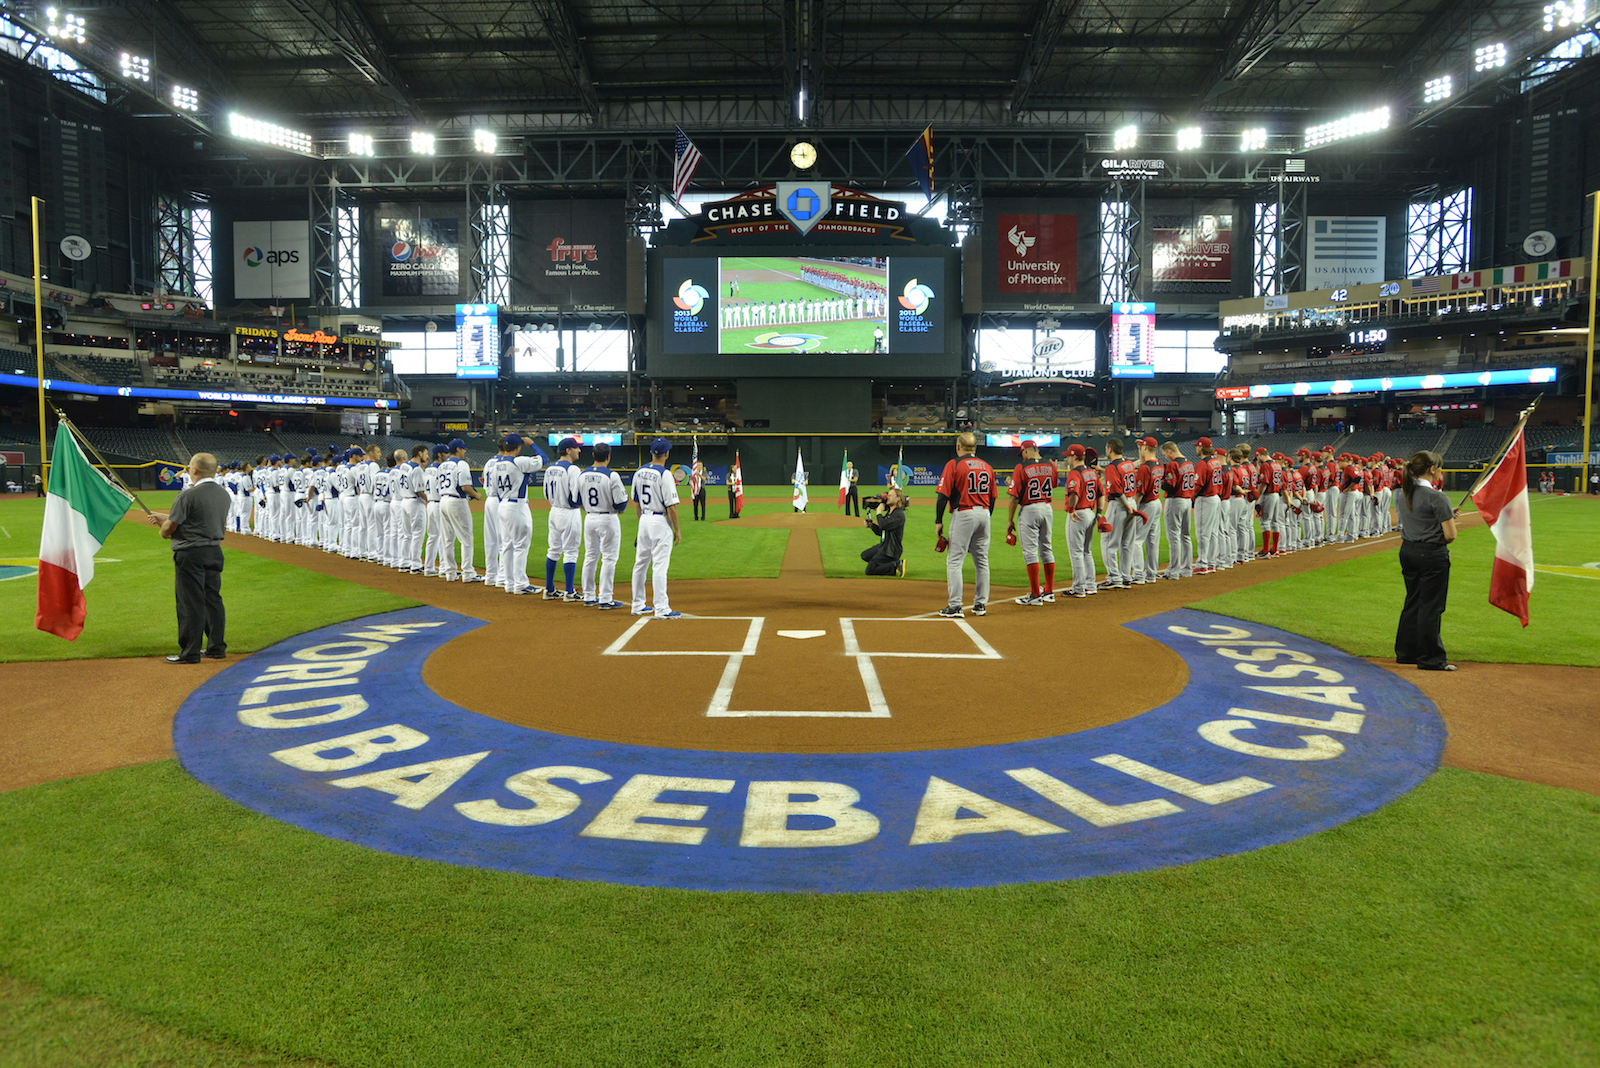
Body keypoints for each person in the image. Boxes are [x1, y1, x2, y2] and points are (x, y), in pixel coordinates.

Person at [147, 453, 229, 664]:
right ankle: (216, 647)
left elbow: (169, 529)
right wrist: (165, 518)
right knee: (213, 599)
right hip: (214, 551)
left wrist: (163, 529)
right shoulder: (223, 494)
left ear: (194, 470)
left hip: (190, 554)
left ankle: (190, 651)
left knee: (189, 602)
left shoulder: (187, 495)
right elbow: (200, 519)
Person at [1395, 451, 1460, 672]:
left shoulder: (1402, 493)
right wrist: (1447, 519)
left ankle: (1406, 652)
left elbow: (1419, 518)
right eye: (1439, 467)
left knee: (1413, 601)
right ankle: (1431, 658)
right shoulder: (1437, 497)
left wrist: (1446, 515)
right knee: (1431, 606)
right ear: (1432, 469)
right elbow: (1450, 535)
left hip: (1408, 550)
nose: (1441, 471)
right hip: (1431, 554)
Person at [934, 431, 995, 618]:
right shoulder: (987, 466)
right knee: (982, 561)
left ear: (958, 447)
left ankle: (955, 606)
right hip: (984, 514)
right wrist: (986, 516)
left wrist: (938, 520)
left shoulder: (954, 464)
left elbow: (943, 496)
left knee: (954, 561)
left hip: (964, 513)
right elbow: (992, 498)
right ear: (975, 448)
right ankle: (981, 604)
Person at [484, 434, 545, 594]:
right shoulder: (519, 461)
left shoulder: (496, 464)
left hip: (502, 505)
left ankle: (509, 583)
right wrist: (532, 444)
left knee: (507, 546)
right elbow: (543, 459)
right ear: (518, 447)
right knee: (520, 546)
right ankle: (521, 584)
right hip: (517, 506)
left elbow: (495, 490)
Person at [630, 438, 683, 617]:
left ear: (652, 452)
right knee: (660, 566)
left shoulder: (639, 471)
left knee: (640, 563)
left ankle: (637, 604)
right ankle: (661, 608)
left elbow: (636, 501)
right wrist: (677, 530)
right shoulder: (665, 474)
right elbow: (672, 507)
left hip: (644, 519)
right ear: (666, 454)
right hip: (660, 522)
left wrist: (641, 522)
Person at [575, 441, 629, 607]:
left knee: (590, 557)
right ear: (608, 456)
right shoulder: (611, 475)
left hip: (590, 518)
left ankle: (589, 596)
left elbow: (576, 500)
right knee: (609, 558)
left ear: (593, 455)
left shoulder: (582, 474)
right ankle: (605, 598)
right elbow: (621, 503)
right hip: (607, 518)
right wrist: (619, 509)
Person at [1005, 439, 1056, 604]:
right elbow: (1049, 485)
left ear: (1026, 451)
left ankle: (1035, 595)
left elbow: (1013, 498)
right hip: (1047, 508)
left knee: (1030, 552)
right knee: (1047, 549)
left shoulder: (1022, 467)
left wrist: (1010, 520)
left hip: (1030, 510)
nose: (1022, 456)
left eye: (1022, 453)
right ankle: (1049, 592)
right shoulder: (1051, 465)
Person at [543, 436, 584, 600]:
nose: (579, 450)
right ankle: (569, 592)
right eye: (576, 448)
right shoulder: (572, 469)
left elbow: (546, 494)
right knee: (571, 552)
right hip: (568, 512)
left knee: (553, 550)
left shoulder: (550, 468)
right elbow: (576, 496)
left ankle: (550, 589)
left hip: (554, 511)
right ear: (568, 450)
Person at [440, 438, 483, 583]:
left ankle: (450, 572)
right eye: (463, 449)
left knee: (447, 539)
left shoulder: (442, 465)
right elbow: (465, 487)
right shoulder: (461, 464)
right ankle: (468, 572)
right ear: (458, 450)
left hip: (443, 500)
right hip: (456, 501)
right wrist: (476, 494)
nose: (465, 451)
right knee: (466, 539)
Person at [1159, 441, 1196, 579]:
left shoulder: (1173, 464)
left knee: (1173, 536)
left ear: (1169, 451)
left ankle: (1173, 571)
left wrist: (1161, 482)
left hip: (1176, 500)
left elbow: (1170, 486)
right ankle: (1186, 569)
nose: (1166, 457)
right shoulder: (1189, 463)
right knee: (1185, 535)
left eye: (1165, 454)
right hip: (1187, 500)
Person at [861, 488, 908, 576]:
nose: (888, 497)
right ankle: (888, 566)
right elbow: (882, 531)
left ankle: (896, 565)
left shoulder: (899, 514)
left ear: (898, 498)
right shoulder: (890, 513)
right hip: (884, 546)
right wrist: (872, 525)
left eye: (890, 496)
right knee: (865, 555)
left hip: (891, 550)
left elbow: (883, 525)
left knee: (870, 571)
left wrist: (879, 513)